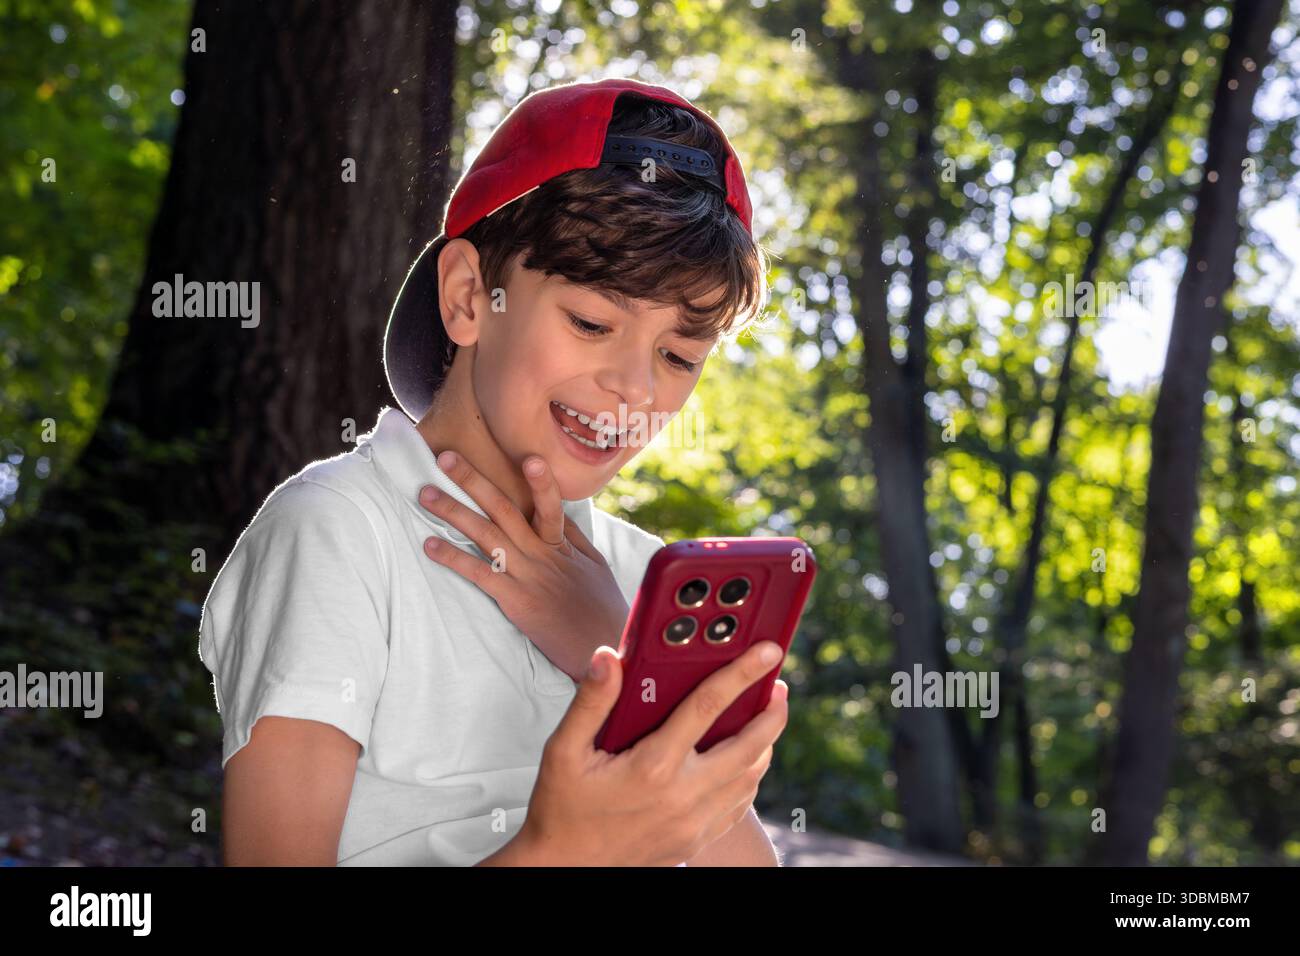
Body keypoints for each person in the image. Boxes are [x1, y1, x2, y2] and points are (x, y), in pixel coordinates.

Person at [200, 77, 784, 865]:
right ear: (470, 296)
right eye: (591, 321)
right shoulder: (342, 530)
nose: (637, 389)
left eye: (680, 356)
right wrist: (563, 850)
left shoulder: (644, 580)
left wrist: (611, 649)